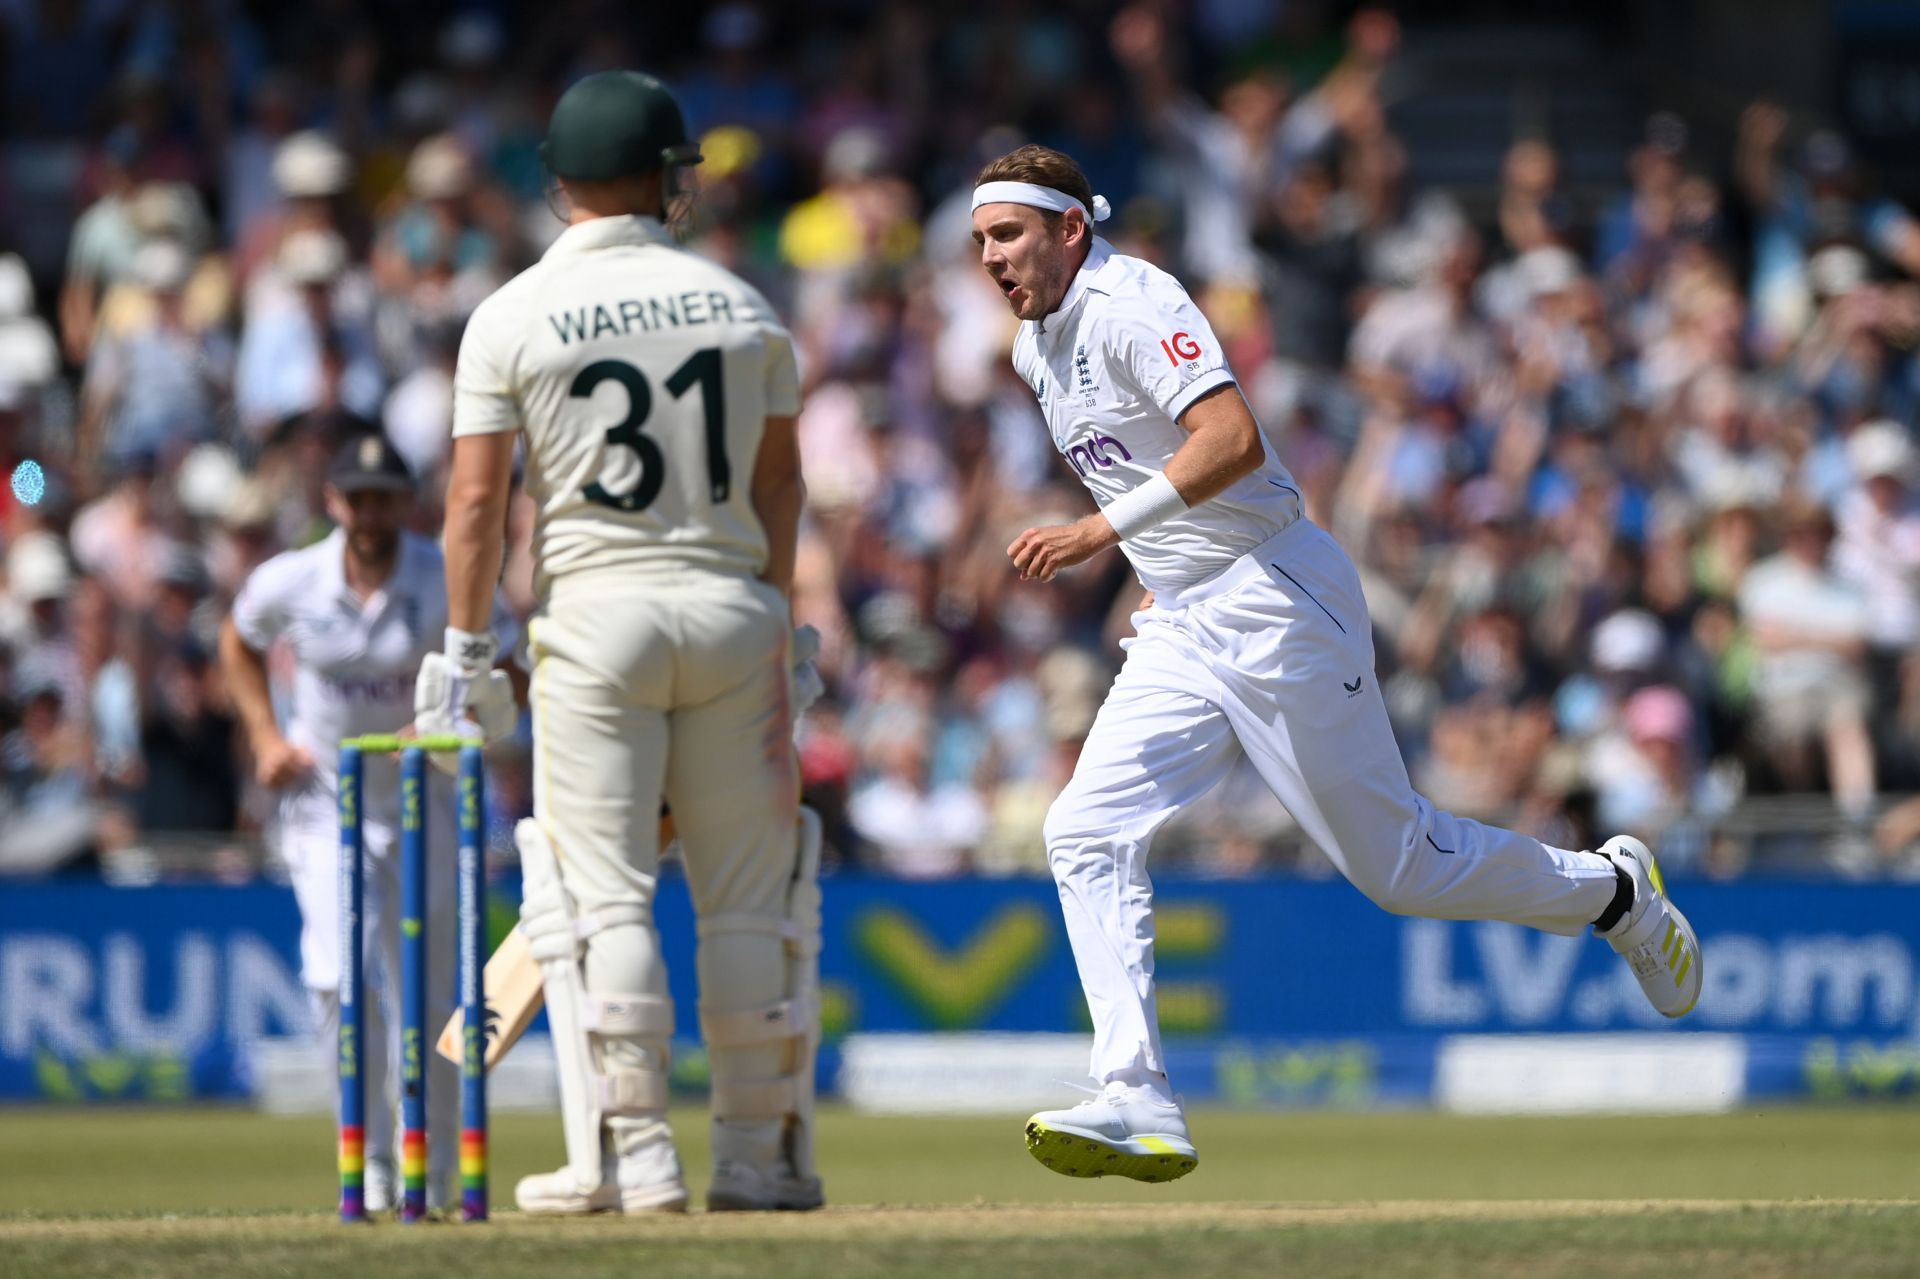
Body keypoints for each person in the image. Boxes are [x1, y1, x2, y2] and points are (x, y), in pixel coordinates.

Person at [969, 145, 1703, 1184]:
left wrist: (1097, 535)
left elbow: (1231, 440)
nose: (990, 257)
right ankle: (1136, 1095)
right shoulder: (1030, 351)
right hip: (1184, 616)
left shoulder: (1135, 300)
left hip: (1276, 596)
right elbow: (1154, 467)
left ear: (1070, 230)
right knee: (1082, 828)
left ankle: (1612, 893)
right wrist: (1150, 560)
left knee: (1399, 869)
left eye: (1008, 234)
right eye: (979, 241)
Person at [421, 70, 816, 1215]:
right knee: (747, 900)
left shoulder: (510, 314)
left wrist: (466, 652)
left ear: (556, 184)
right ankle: (756, 1156)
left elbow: (476, 512)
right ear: (666, 179)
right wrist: (780, 624)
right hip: (733, 605)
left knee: (603, 902)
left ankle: (633, 1157)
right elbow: (784, 486)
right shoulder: (743, 306)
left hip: (598, 618)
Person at [218, 434, 518, 1216]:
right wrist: (264, 735)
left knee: (438, 1002)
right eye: (359, 498)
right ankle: (374, 1161)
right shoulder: (293, 580)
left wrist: (452, 719)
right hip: (329, 809)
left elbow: (509, 669)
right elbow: (237, 641)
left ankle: (444, 1170)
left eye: (386, 496)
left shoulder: (444, 572)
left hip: (430, 806)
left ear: (404, 502)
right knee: (337, 980)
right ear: (334, 502)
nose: (372, 512)